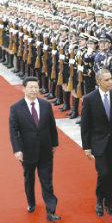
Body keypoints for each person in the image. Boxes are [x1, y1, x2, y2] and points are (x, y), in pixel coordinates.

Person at [9, 76, 61, 222]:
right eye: (30, 87)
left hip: (45, 150)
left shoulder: (46, 105)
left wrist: (54, 144)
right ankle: (31, 202)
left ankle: (51, 211)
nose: (34, 90)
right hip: (27, 151)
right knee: (29, 179)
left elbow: (52, 126)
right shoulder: (16, 108)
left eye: (36, 87)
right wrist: (17, 150)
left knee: (47, 181)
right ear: (24, 88)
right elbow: (13, 131)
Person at [81, 69, 112, 217]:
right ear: (98, 82)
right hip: (98, 143)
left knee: (111, 175)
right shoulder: (89, 99)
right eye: (107, 80)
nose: (111, 82)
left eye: (111, 79)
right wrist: (87, 147)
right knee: (103, 173)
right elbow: (85, 125)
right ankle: (99, 200)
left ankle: (108, 203)